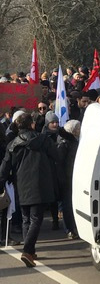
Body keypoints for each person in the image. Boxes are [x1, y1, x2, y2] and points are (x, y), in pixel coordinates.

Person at [0, 113, 62, 267]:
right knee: (35, 218)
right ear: (32, 125)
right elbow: (57, 156)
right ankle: (27, 251)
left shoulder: (13, 144)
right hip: (40, 183)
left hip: (20, 184)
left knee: (26, 218)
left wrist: (1, 183)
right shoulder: (44, 140)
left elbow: (4, 167)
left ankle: (31, 251)